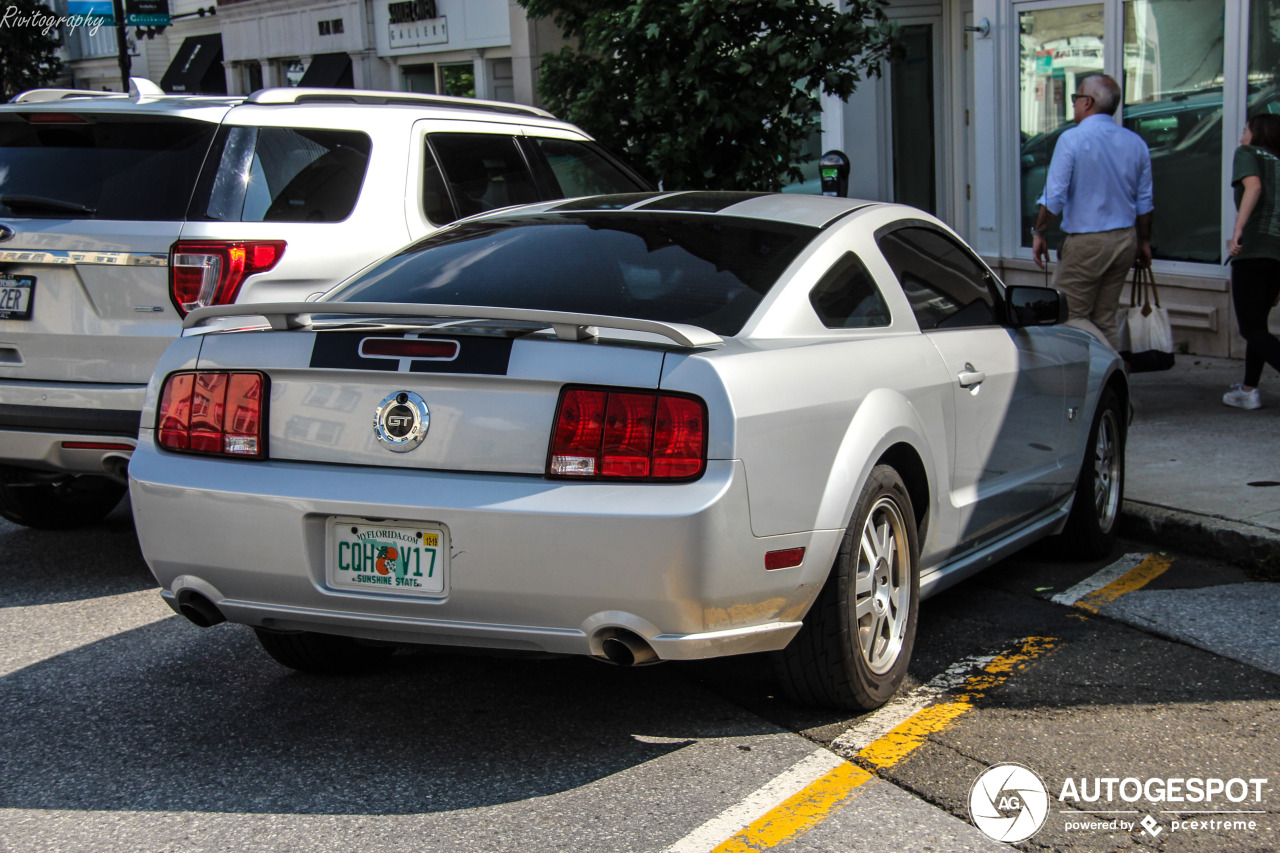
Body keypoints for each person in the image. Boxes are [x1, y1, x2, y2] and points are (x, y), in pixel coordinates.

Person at [1031, 74, 1154, 352]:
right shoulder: (1136, 143)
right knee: (1104, 318)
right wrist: (1144, 242)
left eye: (1075, 99)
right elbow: (1145, 202)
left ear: (1087, 102)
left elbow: (1054, 197)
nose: (1073, 105)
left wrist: (1039, 232)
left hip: (1088, 241)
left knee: (1066, 314)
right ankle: (1115, 388)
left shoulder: (1072, 139)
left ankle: (1112, 367)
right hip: (1125, 239)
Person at [1223, 113, 1280, 410]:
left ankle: (1249, 390)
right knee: (1259, 326)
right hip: (1277, 253)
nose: (1242, 136)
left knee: (1250, 328)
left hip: (1255, 248)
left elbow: (1253, 186)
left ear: (1257, 134)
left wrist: (1238, 231)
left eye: (1245, 130)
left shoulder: (1247, 153)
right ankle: (1248, 389)